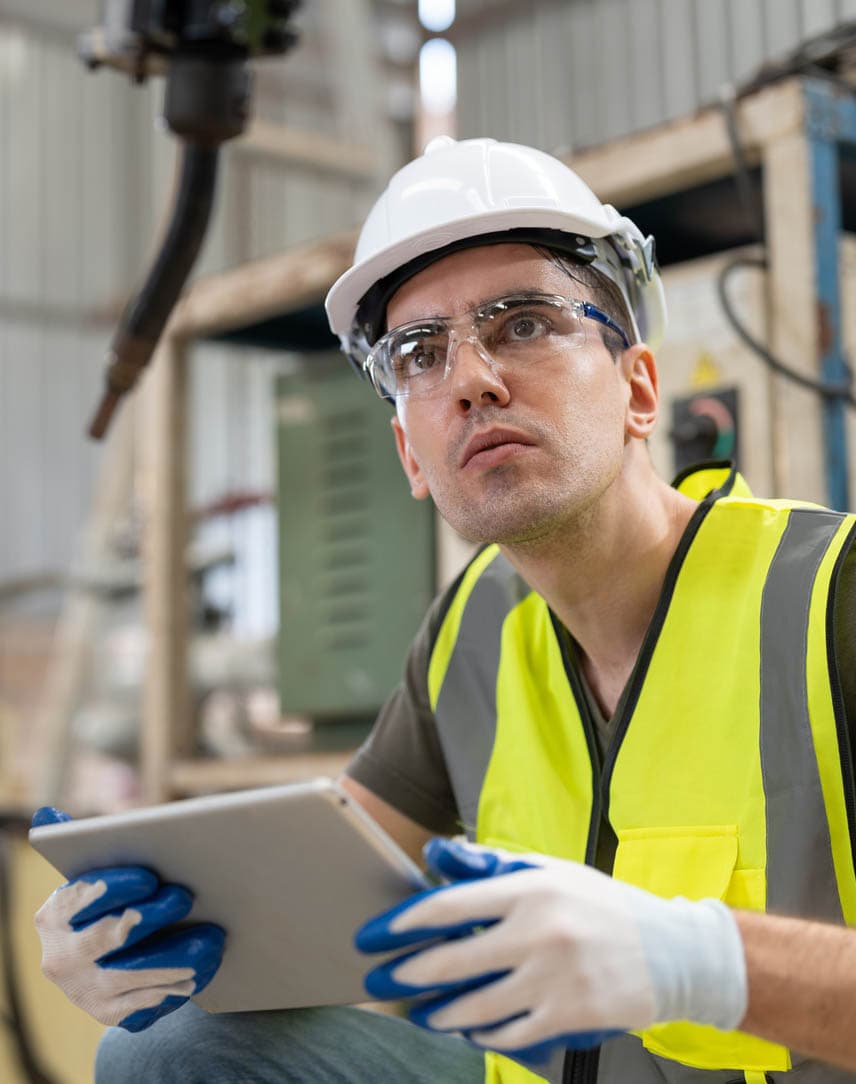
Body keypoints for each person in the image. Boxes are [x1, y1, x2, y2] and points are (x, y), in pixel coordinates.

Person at [34, 136, 856, 1084]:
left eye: (525, 324)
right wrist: (140, 935)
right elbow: (324, 893)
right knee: (170, 1049)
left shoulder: (824, 594)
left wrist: (700, 965)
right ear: (411, 457)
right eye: (421, 353)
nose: (472, 380)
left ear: (638, 389)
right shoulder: (472, 629)